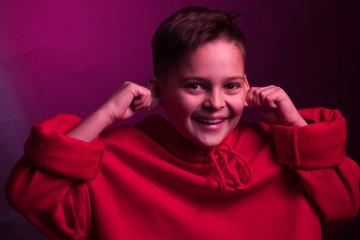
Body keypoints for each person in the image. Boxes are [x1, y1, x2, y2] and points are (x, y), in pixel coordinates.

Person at [5, 6, 359, 240]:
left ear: (248, 87)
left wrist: (294, 124)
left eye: (231, 86)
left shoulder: (281, 149)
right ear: (158, 89)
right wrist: (105, 115)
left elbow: (343, 203)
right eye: (195, 85)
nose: (216, 103)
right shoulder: (117, 156)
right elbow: (33, 196)